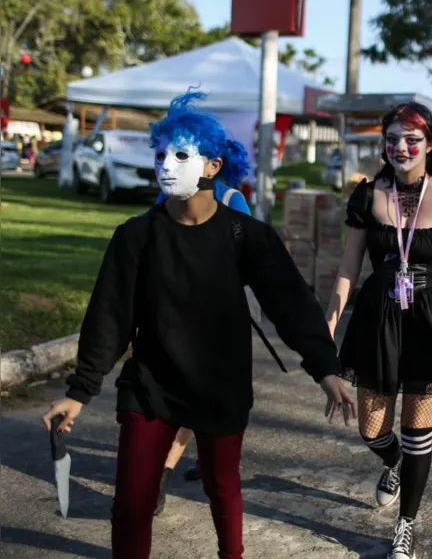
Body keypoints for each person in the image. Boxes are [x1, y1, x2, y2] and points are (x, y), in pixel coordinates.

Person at [40, 91, 356, 559]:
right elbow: (109, 316)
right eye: (161, 153)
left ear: (211, 166)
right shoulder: (136, 236)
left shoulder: (245, 235)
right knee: (131, 504)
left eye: (181, 154)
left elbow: (290, 303)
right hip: (151, 386)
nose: (167, 163)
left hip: (220, 385)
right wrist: (79, 391)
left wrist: (325, 369)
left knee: (222, 487)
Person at [324, 102, 432, 559]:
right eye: (392, 139)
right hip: (378, 319)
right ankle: (392, 463)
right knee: (372, 430)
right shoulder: (366, 195)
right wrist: (326, 331)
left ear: (430, 145)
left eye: (411, 139)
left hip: (431, 322)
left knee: (419, 430)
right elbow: (348, 270)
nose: (401, 147)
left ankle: (405, 525)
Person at [151, 122, 253, 514]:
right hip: (175, 313)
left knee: (200, 396)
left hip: (217, 318)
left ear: (214, 164)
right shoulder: (167, 201)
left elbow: (246, 257)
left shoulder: (233, 200)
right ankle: (170, 467)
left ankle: (164, 472)